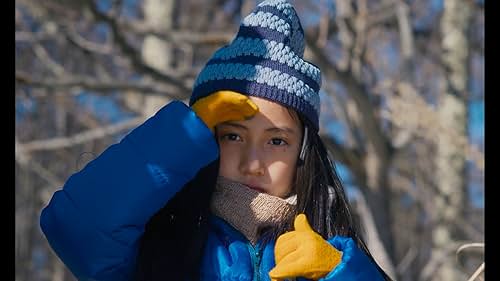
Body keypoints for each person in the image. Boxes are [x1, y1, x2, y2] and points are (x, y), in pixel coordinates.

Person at [40, 0, 392, 280]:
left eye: (276, 141)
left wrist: (340, 274)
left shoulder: (328, 260)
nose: (252, 162)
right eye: (233, 135)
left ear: (303, 152)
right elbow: (74, 227)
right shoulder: (158, 246)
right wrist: (183, 133)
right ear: (206, 141)